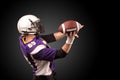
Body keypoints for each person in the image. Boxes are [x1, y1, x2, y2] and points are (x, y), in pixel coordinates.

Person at [17, 14, 82, 80]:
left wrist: (66, 32)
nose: (38, 26)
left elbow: (50, 37)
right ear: (28, 29)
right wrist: (70, 39)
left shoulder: (24, 38)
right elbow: (61, 54)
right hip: (45, 77)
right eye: (35, 25)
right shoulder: (36, 50)